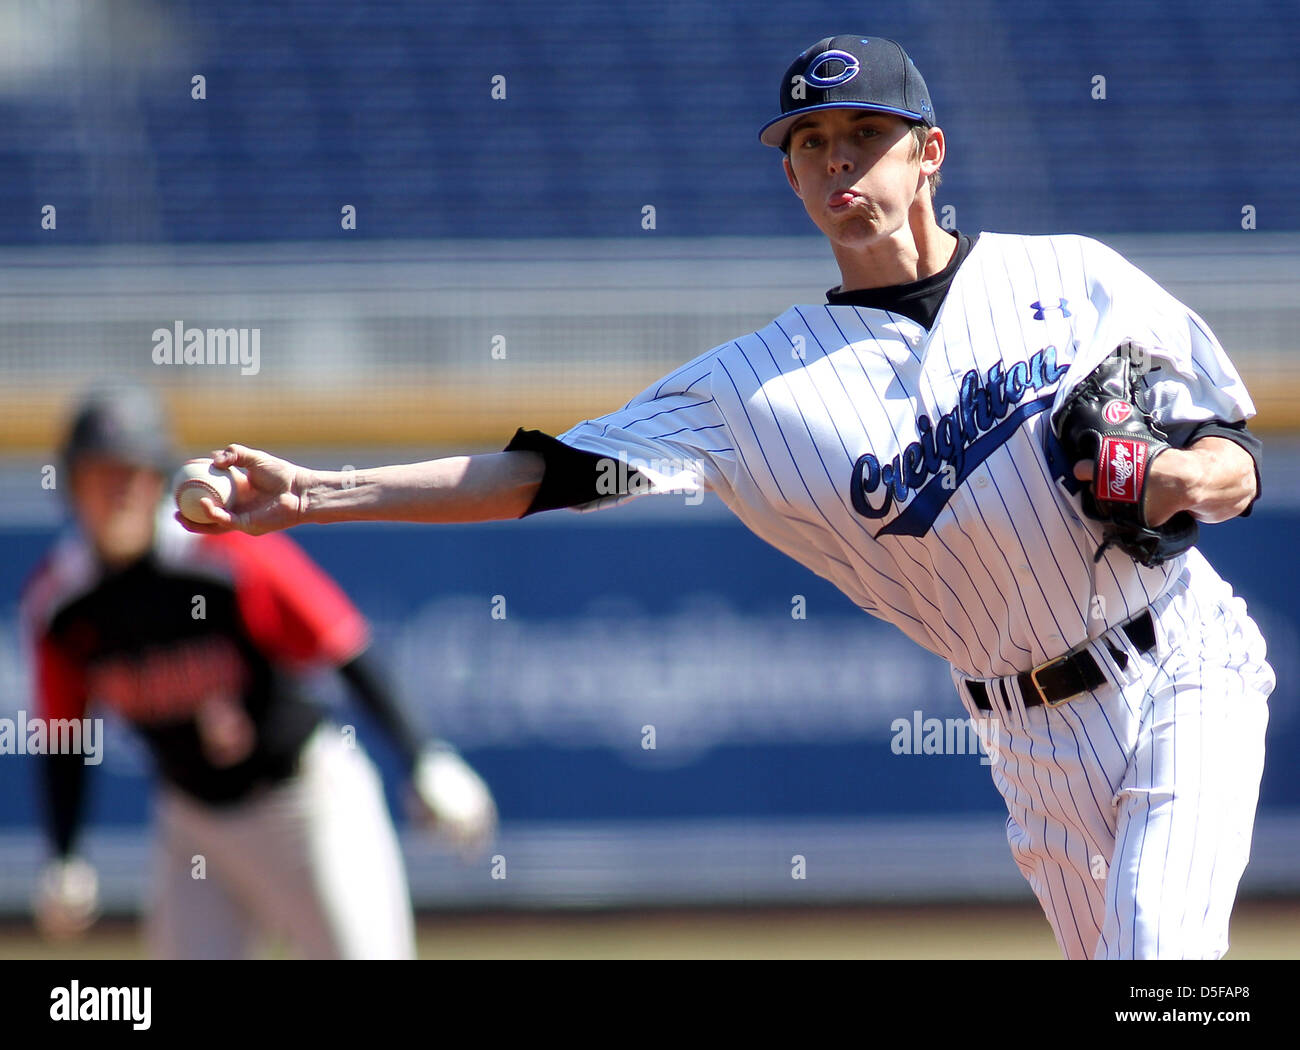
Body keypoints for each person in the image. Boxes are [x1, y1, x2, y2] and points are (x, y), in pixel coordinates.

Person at [176, 35, 1272, 959]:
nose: (838, 164)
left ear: (928, 154)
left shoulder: (1071, 278)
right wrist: (314, 493)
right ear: (789, 178)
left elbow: (1235, 456)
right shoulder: (750, 389)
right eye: (810, 145)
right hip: (1029, 743)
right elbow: (541, 476)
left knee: (1159, 960)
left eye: (863, 137)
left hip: (1180, 660)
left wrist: (1189, 477)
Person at [22, 384, 498, 959]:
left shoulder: (223, 558)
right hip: (194, 824)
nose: (116, 492)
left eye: (130, 473)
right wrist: (65, 853)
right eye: (99, 476)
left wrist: (424, 756)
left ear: (156, 480)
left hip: (306, 805)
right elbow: (65, 736)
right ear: (72, 488)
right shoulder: (62, 604)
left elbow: (344, 646)